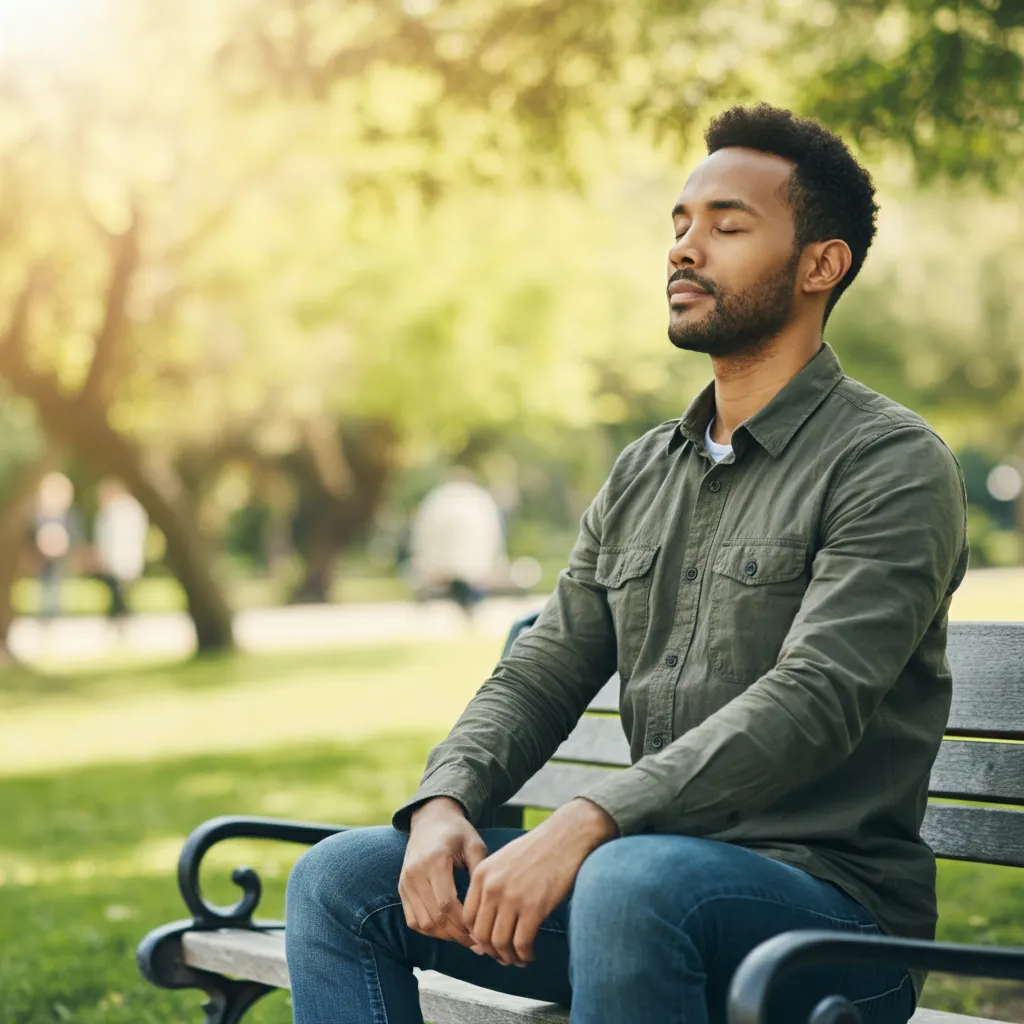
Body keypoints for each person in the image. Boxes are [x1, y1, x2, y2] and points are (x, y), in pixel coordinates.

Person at [285, 105, 969, 1024]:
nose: (686, 248)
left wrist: (590, 820)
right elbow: (543, 667)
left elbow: (816, 696)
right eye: (680, 225)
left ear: (821, 265)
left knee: (634, 880)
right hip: (633, 893)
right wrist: (448, 797)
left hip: (831, 926)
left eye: (727, 226)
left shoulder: (891, 463)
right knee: (340, 880)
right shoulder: (645, 469)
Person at [407, 468, 506, 617]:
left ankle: (466, 603)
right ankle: (468, 604)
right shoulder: (479, 499)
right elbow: (493, 532)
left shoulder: (439, 499)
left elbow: (425, 530)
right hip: (472, 562)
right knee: (466, 580)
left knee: (461, 580)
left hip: (447, 561)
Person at [92, 478, 148, 622]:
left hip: (122, 556)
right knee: (117, 589)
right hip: (116, 556)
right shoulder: (109, 510)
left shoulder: (124, 510)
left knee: (121, 589)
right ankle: (119, 615)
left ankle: (121, 615)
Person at [32, 471, 78, 619]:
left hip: (61, 554)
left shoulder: (68, 513)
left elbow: (73, 532)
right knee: (46, 582)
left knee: (56, 582)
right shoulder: (39, 511)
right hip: (42, 554)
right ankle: (47, 611)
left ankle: (55, 610)